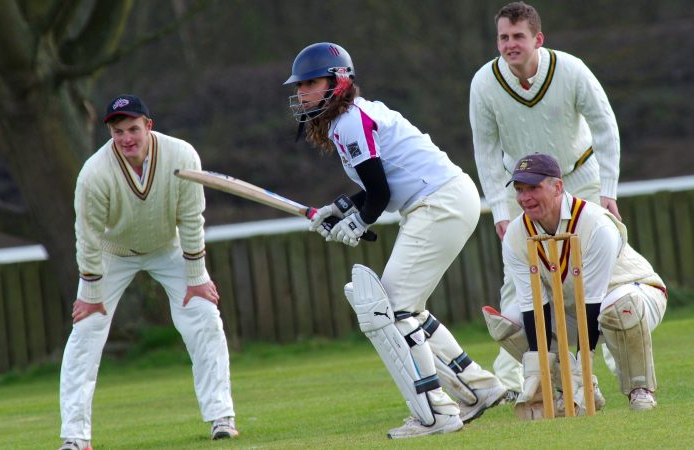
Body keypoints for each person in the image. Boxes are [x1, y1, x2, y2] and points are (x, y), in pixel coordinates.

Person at [283, 42, 506, 439]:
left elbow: (379, 195)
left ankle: (436, 412)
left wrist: (355, 223)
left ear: (338, 81)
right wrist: (340, 210)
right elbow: (373, 190)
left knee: (394, 310)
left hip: (439, 202)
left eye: (310, 84)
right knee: (408, 309)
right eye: (299, 86)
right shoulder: (351, 118)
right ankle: (478, 389)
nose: (302, 94)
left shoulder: (350, 119)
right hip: (444, 199)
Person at [58, 95, 238, 450]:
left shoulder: (182, 155)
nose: (127, 138)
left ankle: (222, 418)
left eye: (133, 129)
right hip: (112, 253)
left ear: (148, 127)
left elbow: (191, 218)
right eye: (118, 131)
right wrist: (91, 295)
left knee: (204, 316)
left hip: (168, 247)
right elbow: (88, 237)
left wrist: (197, 276)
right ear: (110, 132)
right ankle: (75, 438)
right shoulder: (94, 174)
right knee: (86, 332)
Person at [469, 1, 623, 397]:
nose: (509, 45)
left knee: (606, 276)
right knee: (518, 279)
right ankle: (523, 382)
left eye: (518, 36)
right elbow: (485, 150)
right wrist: (500, 211)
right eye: (503, 37)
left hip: (578, 176)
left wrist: (607, 191)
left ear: (537, 39)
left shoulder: (570, 70)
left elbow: (605, 126)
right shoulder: (484, 83)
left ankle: (624, 375)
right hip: (520, 186)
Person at [501, 153, 666, 418]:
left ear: (557, 187)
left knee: (618, 306)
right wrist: (538, 367)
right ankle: (568, 388)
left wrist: (583, 364)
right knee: (508, 323)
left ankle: (640, 389)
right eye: (520, 190)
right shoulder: (516, 235)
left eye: (533, 188)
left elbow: (593, 299)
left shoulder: (595, 223)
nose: (525, 197)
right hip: (572, 308)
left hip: (636, 294)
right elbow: (533, 305)